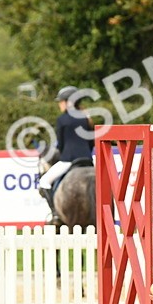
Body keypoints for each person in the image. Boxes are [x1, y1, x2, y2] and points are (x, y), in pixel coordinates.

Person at [37, 86, 94, 224]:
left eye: (61, 101)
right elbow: (91, 142)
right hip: (87, 159)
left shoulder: (62, 119)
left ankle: (55, 214)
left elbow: (61, 145)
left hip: (69, 160)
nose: (59, 104)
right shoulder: (86, 118)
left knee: (44, 181)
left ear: (68, 102)